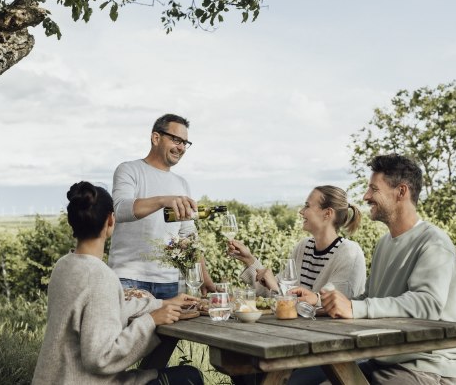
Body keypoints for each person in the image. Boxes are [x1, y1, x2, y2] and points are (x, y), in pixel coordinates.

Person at [319, 153, 456, 385]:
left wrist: (356, 307)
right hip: (386, 361)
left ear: (401, 192)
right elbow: (371, 299)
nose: (366, 196)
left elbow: (426, 304)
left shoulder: (434, 243)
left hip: (430, 368)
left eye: (373, 189)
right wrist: (328, 306)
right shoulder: (384, 244)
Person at [32, 181, 203, 385]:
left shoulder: (64, 265)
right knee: (190, 376)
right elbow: (101, 359)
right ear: (111, 220)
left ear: (72, 222)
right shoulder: (101, 276)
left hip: (53, 378)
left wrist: (163, 304)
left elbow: (103, 309)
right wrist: (150, 321)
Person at [108, 114, 215, 299]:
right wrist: (163, 201)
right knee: (128, 329)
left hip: (169, 283)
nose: (181, 147)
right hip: (127, 278)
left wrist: (204, 277)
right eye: (176, 140)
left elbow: (188, 236)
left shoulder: (181, 184)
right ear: (156, 138)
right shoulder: (129, 170)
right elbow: (121, 209)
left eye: (185, 143)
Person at [229, 185, 366, 305]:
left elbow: (330, 304)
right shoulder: (303, 247)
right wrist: (249, 260)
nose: (301, 211)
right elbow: (270, 292)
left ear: (327, 213)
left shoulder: (349, 253)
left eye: (307, 206)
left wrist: (276, 289)